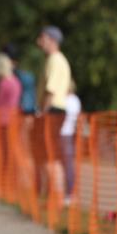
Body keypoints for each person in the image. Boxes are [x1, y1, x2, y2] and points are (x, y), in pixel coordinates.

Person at [36, 26, 72, 198]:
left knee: (50, 153)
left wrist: (42, 113)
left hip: (52, 110)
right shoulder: (54, 59)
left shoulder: (55, 60)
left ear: (52, 40)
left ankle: (55, 193)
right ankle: (53, 192)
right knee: (50, 152)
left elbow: (50, 90)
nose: (39, 41)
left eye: (42, 38)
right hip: (53, 110)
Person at [0, 53, 22, 200]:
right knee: (10, 154)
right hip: (13, 120)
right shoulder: (16, 82)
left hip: (1, 122)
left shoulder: (4, 83)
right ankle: (10, 186)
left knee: (0, 155)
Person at [60, 81, 81, 203]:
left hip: (64, 133)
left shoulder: (65, 100)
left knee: (66, 164)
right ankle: (70, 192)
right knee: (69, 164)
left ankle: (68, 193)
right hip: (71, 134)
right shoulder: (76, 100)